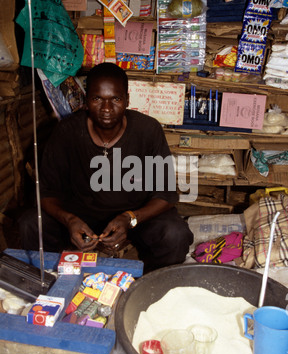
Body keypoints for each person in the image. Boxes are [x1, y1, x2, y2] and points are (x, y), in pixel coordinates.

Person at [19, 63, 193, 271]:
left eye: (116, 99)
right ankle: (50, 279)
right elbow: (47, 193)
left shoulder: (148, 130)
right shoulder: (67, 132)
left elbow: (166, 195)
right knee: (30, 223)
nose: (107, 108)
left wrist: (130, 219)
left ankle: (151, 286)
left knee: (175, 233)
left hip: (133, 216)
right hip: (81, 218)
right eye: (97, 99)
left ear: (127, 100)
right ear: (85, 101)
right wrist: (70, 220)